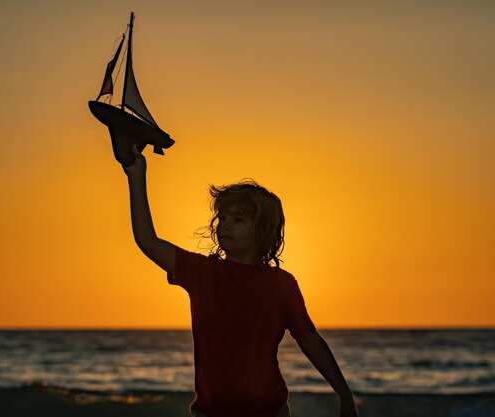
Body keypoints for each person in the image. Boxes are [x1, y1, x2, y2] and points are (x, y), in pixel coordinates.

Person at [123, 144, 359, 417]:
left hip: (269, 412)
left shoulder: (280, 285)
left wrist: (344, 392)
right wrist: (135, 175)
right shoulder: (203, 273)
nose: (224, 224)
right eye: (222, 217)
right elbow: (147, 240)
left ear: (262, 230)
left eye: (237, 219)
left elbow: (310, 340)